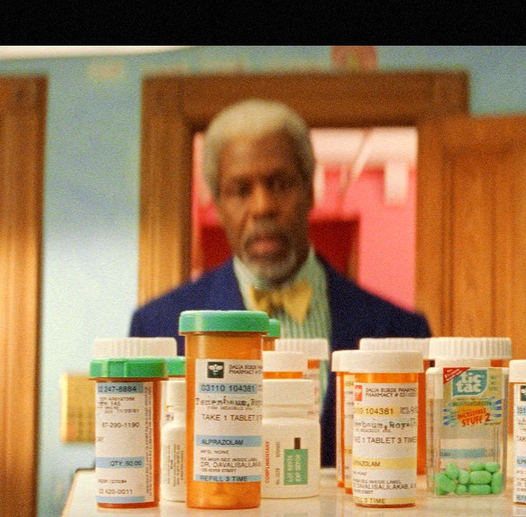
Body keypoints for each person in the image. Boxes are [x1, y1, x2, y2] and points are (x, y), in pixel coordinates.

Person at [129, 98, 430, 466]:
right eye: (241, 190)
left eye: (280, 183)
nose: (262, 207)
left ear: (311, 189)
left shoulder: (402, 332)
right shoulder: (158, 328)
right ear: (218, 204)